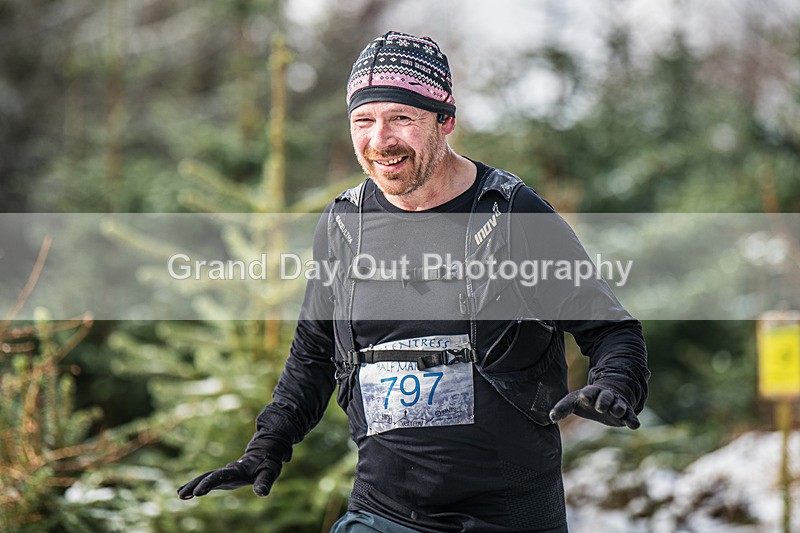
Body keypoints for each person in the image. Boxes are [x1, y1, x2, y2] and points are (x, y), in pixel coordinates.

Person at [178, 31, 650, 532]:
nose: (380, 140)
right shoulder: (344, 225)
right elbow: (313, 352)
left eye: (401, 118)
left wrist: (615, 381)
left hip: (511, 516)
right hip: (384, 513)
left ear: (445, 120)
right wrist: (267, 444)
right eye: (364, 120)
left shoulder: (512, 213)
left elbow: (611, 328)